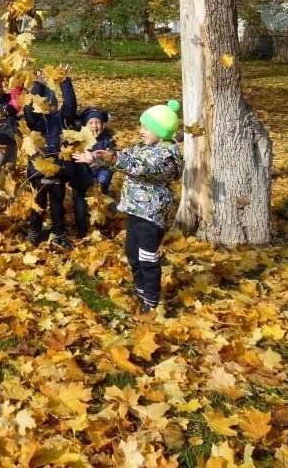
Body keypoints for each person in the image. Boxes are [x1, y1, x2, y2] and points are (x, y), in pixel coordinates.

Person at [75, 100, 183, 313]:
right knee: (132, 252)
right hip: (135, 210)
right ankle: (140, 288)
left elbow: (142, 168)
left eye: (146, 127)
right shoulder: (145, 148)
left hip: (151, 215)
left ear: (160, 132)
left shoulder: (165, 156)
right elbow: (125, 157)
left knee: (147, 257)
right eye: (142, 126)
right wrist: (95, 158)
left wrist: (114, 158)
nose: (141, 131)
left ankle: (151, 300)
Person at [23, 64, 79, 250]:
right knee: (37, 203)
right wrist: (38, 85)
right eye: (46, 103)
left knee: (57, 202)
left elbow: (70, 104)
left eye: (52, 104)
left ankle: (58, 232)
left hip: (58, 168)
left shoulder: (62, 119)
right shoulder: (35, 121)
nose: (49, 106)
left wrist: (64, 81)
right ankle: (34, 230)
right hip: (38, 170)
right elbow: (29, 109)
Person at [71, 107, 118, 237]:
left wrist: (100, 183)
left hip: (101, 183)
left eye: (97, 122)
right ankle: (82, 231)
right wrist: (87, 184)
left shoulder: (108, 141)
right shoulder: (78, 141)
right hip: (82, 183)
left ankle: (103, 230)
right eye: (90, 123)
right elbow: (76, 164)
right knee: (80, 208)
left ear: (103, 124)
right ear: (85, 125)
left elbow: (110, 165)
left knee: (103, 207)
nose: (94, 126)